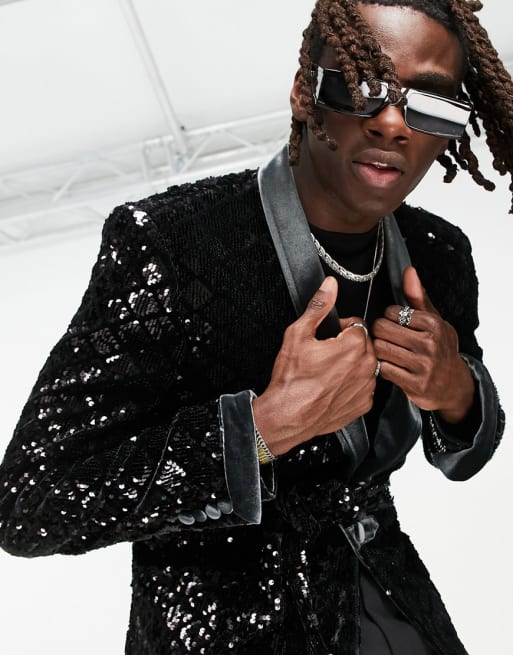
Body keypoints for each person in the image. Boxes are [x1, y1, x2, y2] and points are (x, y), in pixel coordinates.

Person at [0, 0, 509, 653]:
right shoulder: (172, 243)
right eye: (362, 87)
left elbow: (465, 452)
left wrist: (457, 391)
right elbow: (30, 503)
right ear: (303, 91)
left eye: (429, 104)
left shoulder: (438, 253)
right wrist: (261, 429)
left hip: (392, 614)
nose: (391, 123)